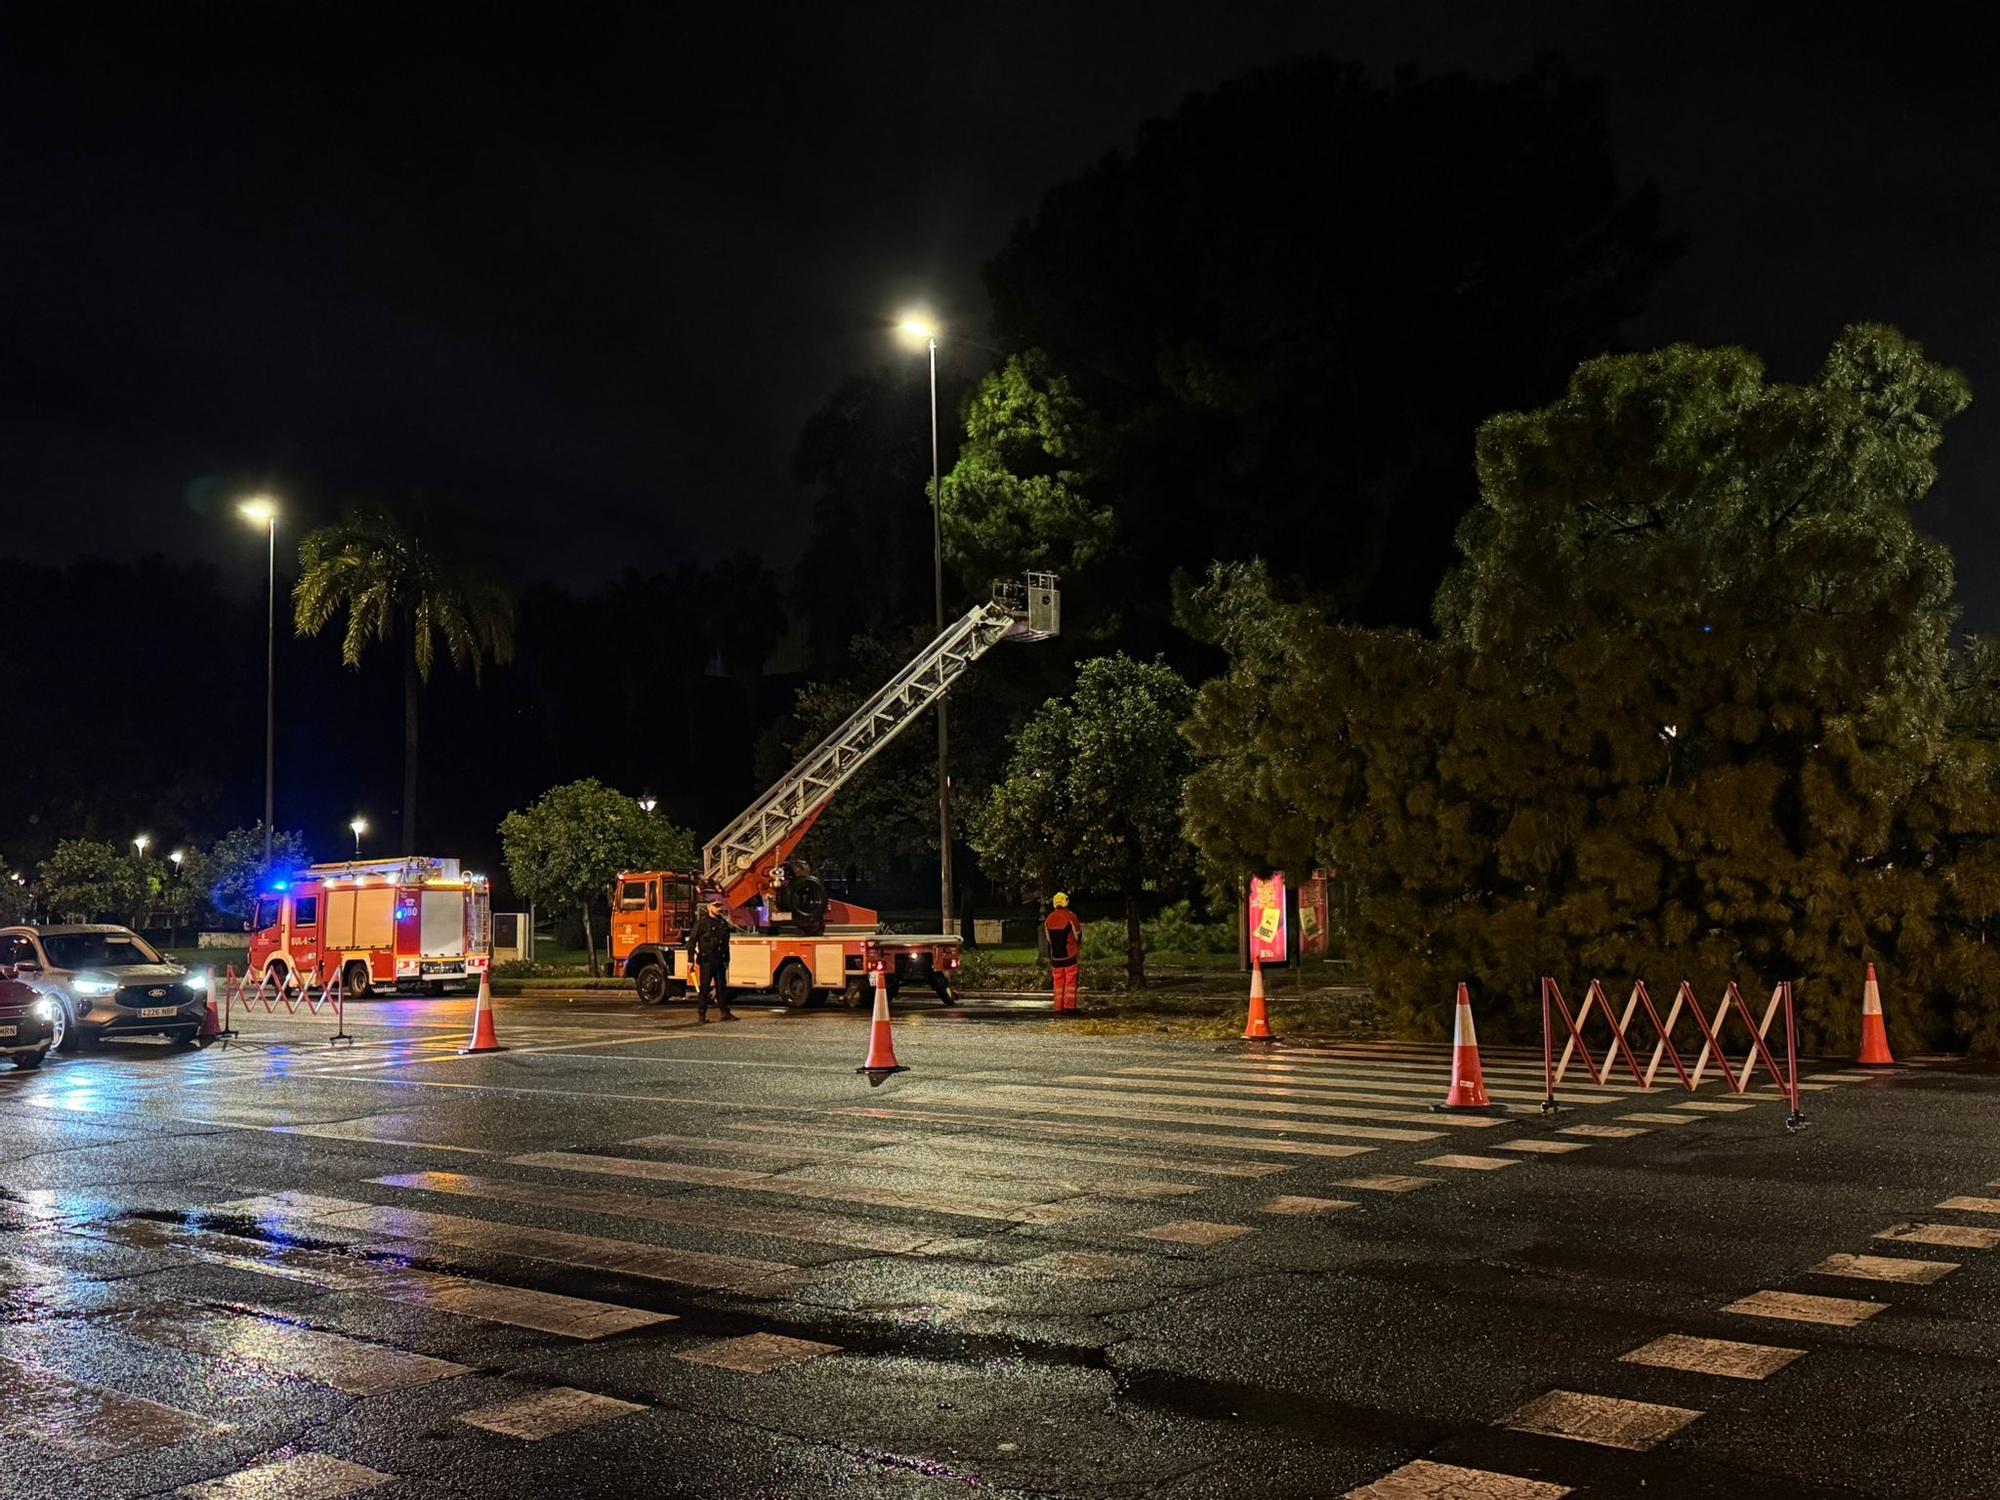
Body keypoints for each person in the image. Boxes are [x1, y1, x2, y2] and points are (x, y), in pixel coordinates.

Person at [687, 899, 739, 1022]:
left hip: (719, 959)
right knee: (704, 989)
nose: (719, 908)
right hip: (707, 960)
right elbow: (692, 941)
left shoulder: (722, 923)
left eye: (720, 905)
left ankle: (724, 1013)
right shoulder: (702, 923)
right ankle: (702, 1015)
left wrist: (727, 959)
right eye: (716, 906)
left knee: (721, 988)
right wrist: (690, 960)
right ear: (709, 907)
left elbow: (725, 944)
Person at [1044, 892, 1083, 1014]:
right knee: (1070, 980)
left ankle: (1058, 1007)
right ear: (1066, 901)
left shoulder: (1049, 918)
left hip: (1055, 956)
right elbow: (1077, 935)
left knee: (1058, 981)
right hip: (1069, 954)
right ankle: (1069, 1007)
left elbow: (1049, 939)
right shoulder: (1071, 916)